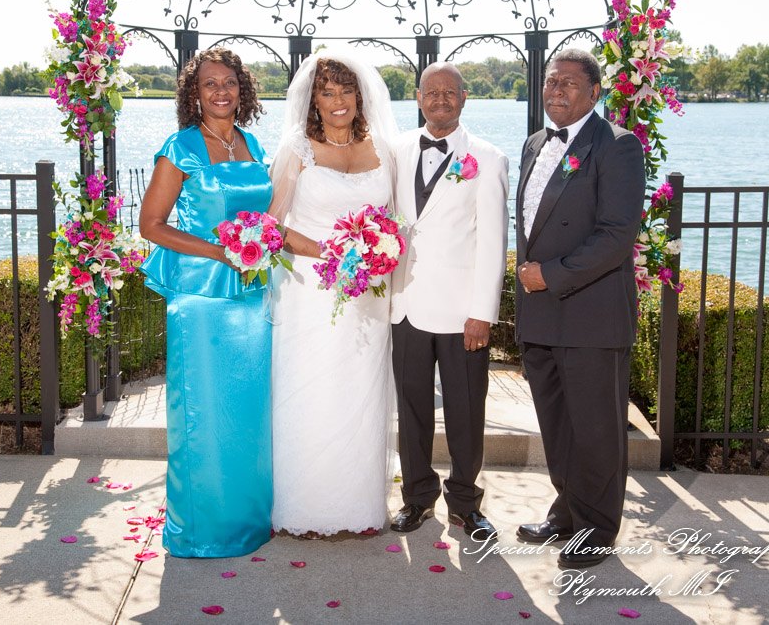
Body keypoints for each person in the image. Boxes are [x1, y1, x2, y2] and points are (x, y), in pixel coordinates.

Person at [139, 48, 273, 558]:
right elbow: (151, 225)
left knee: (245, 411)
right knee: (202, 413)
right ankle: (201, 529)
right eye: (210, 84)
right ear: (194, 94)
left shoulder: (252, 143)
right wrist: (221, 251)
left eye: (230, 83)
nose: (221, 91)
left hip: (251, 298)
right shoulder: (181, 148)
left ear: (243, 90)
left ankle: (248, 518)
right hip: (199, 299)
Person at [515, 48, 645, 569]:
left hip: (590, 313)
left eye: (569, 82)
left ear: (595, 92)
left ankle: (597, 528)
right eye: (551, 82)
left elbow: (617, 234)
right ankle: (567, 513)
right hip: (541, 313)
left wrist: (552, 274)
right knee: (558, 424)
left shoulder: (617, 146)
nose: (557, 90)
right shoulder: (532, 144)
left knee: (596, 428)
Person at [268, 51, 398, 538]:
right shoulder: (297, 149)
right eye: (327, 92)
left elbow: (398, 220)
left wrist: (378, 252)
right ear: (313, 100)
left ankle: (356, 507)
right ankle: (304, 506)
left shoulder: (383, 149)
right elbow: (273, 225)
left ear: (360, 96)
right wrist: (335, 253)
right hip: (310, 290)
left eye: (346, 91)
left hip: (368, 297)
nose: (338, 101)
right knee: (312, 390)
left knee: (360, 393)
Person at [389, 61, 509, 538]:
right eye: (431, 93)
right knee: (411, 411)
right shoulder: (396, 150)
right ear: (418, 98)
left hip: (463, 314)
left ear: (464, 98)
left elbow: (493, 242)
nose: (440, 100)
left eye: (450, 93)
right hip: (405, 306)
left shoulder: (488, 157)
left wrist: (483, 312)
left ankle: (465, 503)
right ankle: (417, 498)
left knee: (465, 412)